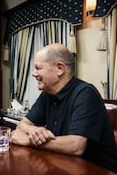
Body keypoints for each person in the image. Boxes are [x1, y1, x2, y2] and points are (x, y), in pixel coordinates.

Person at [10, 43, 117, 173]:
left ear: (60, 68)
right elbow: (23, 124)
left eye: (38, 68)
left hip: (97, 170)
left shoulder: (86, 94)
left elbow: (76, 146)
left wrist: (29, 140)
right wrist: (34, 130)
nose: (33, 73)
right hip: (63, 165)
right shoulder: (48, 94)